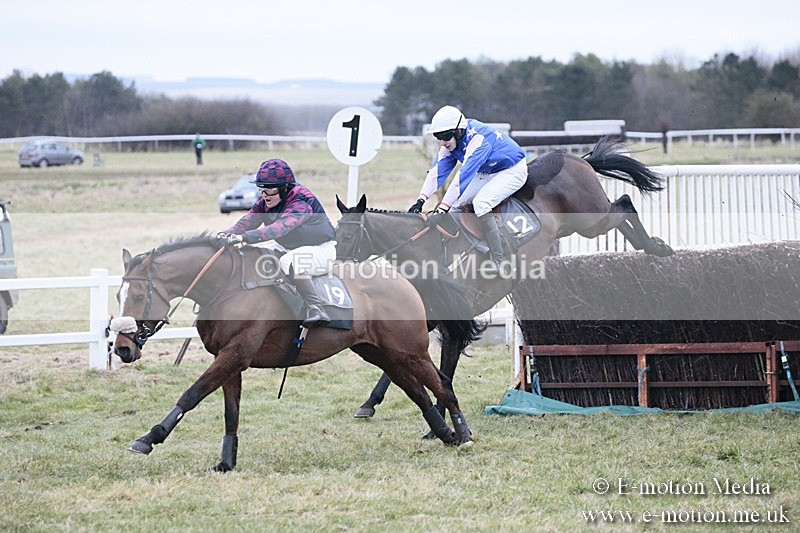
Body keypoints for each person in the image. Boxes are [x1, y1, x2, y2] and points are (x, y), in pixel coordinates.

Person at [216, 158, 337, 326]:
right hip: (288, 246)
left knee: (290, 262)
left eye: (269, 190)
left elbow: (279, 228)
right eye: (261, 190)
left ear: (285, 188)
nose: (265, 195)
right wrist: (223, 235)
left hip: (321, 249)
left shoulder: (301, 201)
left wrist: (244, 238)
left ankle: (316, 308)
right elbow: (246, 222)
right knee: (257, 256)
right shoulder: (266, 201)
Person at [408, 105, 527, 265]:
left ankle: (500, 257)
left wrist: (442, 210)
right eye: (438, 137)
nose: (443, 142)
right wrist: (420, 200)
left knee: (481, 203)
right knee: (456, 205)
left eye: (445, 136)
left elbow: (461, 179)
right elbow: (437, 172)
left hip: (512, 169)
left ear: (458, 131)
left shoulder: (478, 140)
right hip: (488, 170)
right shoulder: (452, 141)